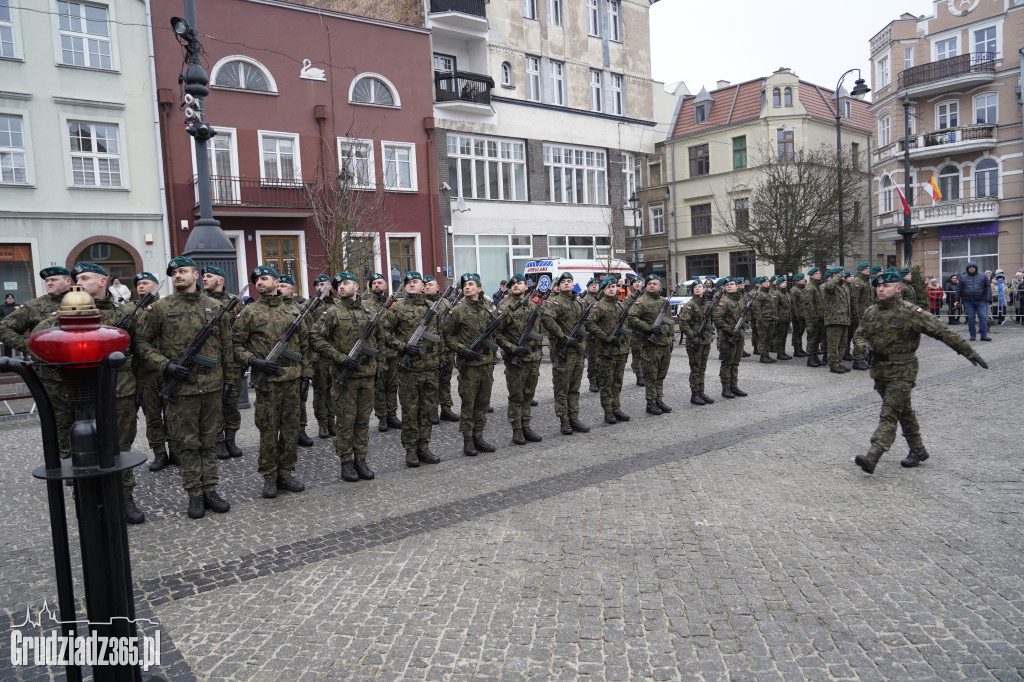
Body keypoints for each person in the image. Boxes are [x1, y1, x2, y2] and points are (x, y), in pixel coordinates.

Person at [852, 271, 987, 474]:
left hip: (903, 371)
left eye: (886, 286)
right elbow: (859, 336)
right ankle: (918, 450)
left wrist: (968, 352)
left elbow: (941, 330)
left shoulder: (911, 312)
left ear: (898, 289)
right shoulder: (871, 311)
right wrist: (864, 347)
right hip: (879, 371)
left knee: (889, 414)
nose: (880, 289)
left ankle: (873, 455)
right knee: (903, 410)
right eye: (878, 286)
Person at [135, 257, 234, 520]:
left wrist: (230, 383)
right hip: (181, 389)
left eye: (182, 271)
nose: (177, 275)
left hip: (212, 387)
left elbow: (227, 349)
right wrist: (165, 366)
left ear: (196, 275)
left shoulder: (215, 307)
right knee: (188, 445)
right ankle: (195, 494)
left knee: (210, 442)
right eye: (174, 273)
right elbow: (142, 344)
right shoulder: (161, 308)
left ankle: (211, 490)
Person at [62, 263, 145, 524]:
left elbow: (141, 348)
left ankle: (124, 497)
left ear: (102, 281)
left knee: (120, 448)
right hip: (84, 395)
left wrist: (140, 386)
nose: (78, 282)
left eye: (85, 278)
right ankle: (94, 500)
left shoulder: (127, 311)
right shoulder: (69, 312)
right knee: (87, 449)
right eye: (76, 278)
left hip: (120, 391)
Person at [233, 266, 311, 499]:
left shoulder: (294, 310)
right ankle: (269, 476)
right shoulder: (250, 312)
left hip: (292, 381)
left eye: (264, 278)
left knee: (290, 431)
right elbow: (235, 345)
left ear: (277, 283)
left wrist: (306, 374)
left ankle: (285, 473)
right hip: (267, 383)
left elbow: (306, 344)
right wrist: (255, 361)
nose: (259, 282)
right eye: (256, 279)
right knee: (268, 431)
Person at [311, 271, 381, 482]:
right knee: (345, 422)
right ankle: (346, 462)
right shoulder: (332, 312)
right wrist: (339, 357)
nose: (341, 286)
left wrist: (378, 366)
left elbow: (380, 340)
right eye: (338, 284)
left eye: (346, 283)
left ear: (356, 287)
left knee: (363, 421)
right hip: (345, 378)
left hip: (367, 376)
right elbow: (315, 337)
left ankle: (361, 459)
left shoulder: (370, 311)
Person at [0, 266, 75, 456]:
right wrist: (31, 347)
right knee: (61, 421)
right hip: (53, 375)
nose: (49, 283)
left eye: (54, 280)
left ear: (68, 281)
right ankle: (67, 462)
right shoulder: (34, 306)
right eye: (47, 281)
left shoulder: (82, 301)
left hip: (85, 372)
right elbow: (4, 329)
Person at [385, 271, 443, 467]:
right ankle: (410, 450)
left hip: (431, 368)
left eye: (415, 281)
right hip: (410, 370)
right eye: (408, 282)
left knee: (427, 411)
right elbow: (384, 333)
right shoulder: (398, 308)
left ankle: (424, 447)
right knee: (410, 412)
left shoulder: (431, 308)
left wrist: (440, 359)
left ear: (423, 286)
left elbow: (439, 336)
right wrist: (402, 347)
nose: (411, 284)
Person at [446, 273, 499, 456]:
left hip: (487, 363)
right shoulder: (458, 311)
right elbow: (448, 336)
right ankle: (468, 441)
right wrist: (462, 350)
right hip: (469, 366)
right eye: (464, 285)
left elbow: (496, 332)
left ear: (479, 287)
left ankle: (479, 437)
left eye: (470, 284)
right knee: (468, 404)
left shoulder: (487, 308)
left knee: (483, 404)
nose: (467, 287)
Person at [131, 272, 178, 471]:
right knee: (152, 416)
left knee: (173, 413)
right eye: (139, 284)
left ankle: (175, 450)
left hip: (168, 369)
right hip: (145, 373)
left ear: (155, 285)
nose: (141, 286)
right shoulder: (130, 310)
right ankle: (159, 453)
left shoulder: (168, 306)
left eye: (146, 283)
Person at [495, 274, 543, 445]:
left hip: (533, 358)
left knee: (529, 395)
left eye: (519, 283)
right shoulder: (504, 306)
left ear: (526, 286)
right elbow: (497, 334)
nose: (516, 286)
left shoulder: (532, 306)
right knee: (516, 395)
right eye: (513, 284)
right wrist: (514, 348)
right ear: (508, 288)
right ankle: (517, 430)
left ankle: (526, 426)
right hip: (515, 359)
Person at [202, 266, 244, 460]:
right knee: (214, 403)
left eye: (209, 276)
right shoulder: (201, 302)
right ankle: (218, 441)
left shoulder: (235, 303)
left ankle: (231, 439)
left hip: (232, 360)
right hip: (211, 360)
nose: (204, 279)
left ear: (220, 280)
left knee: (231, 402)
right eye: (203, 276)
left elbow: (243, 332)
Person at [542, 272, 589, 435]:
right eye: (564, 282)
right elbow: (547, 320)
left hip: (577, 350)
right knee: (562, 388)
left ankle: (574, 417)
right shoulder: (555, 302)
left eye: (570, 281)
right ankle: (564, 420)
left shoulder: (578, 302)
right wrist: (563, 337)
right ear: (559, 285)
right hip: (564, 352)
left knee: (574, 388)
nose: (567, 284)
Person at [585, 276, 632, 424]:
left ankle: (616, 408)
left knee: (617, 381)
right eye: (608, 287)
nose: (611, 289)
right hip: (606, 350)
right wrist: (605, 337)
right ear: (603, 290)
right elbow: (589, 323)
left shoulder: (619, 305)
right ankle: (608, 411)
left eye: (613, 287)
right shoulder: (599, 306)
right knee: (606, 382)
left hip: (621, 349)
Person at [629, 274, 675, 414]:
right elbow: (631, 318)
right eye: (649, 284)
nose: (652, 286)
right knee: (651, 376)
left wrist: (671, 338)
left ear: (659, 286)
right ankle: (650, 402)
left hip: (664, 344)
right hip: (651, 345)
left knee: (661, 375)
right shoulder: (641, 302)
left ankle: (659, 399)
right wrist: (648, 328)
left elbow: (669, 321)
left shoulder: (663, 301)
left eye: (655, 284)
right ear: (646, 286)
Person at [277, 274, 315, 446]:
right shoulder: (272, 308)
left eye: (284, 286)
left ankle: (301, 430)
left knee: (300, 399)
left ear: (292, 289)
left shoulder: (301, 310)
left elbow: (308, 342)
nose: (280, 288)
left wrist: (307, 371)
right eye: (279, 285)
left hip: (296, 364)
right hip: (276, 365)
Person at [364, 273, 403, 431]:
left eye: (380, 282)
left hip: (393, 352)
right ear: (371, 287)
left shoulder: (395, 304)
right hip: (377, 353)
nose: (377, 285)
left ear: (386, 286)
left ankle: (392, 415)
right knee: (379, 387)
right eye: (374, 283)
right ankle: (382, 418)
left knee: (392, 386)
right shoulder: (365, 306)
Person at [677, 279, 715, 406]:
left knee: (702, 368)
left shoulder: (707, 304)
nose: (698, 288)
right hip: (695, 342)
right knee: (695, 369)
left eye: (700, 286)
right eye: (695, 287)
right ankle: (695, 394)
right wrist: (693, 337)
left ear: (704, 289)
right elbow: (683, 323)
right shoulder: (690, 305)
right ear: (692, 290)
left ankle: (701, 392)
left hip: (705, 341)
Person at [711, 277, 748, 399]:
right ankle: (726, 388)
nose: (730, 286)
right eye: (727, 285)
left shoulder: (740, 301)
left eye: (732, 284)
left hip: (739, 336)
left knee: (735, 363)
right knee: (727, 363)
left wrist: (743, 326)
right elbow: (717, 319)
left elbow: (742, 317)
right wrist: (731, 331)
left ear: (737, 286)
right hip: (727, 337)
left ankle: (734, 386)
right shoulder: (724, 302)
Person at [310, 274, 337, 439]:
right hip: (318, 357)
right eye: (318, 284)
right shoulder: (309, 306)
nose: (321, 287)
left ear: (331, 287)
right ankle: (322, 424)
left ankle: (332, 422)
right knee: (320, 391)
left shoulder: (338, 305)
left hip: (335, 356)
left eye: (324, 284)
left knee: (334, 391)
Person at [822, 267, 851, 373]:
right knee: (833, 344)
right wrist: (837, 276)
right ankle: (833, 364)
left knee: (843, 343)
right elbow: (829, 285)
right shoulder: (830, 286)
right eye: (841, 274)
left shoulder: (843, 287)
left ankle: (839, 362)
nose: (843, 276)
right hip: (833, 320)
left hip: (843, 319)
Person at [956, 261, 991, 341]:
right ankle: (973, 335)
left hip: (981, 300)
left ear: (976, 268)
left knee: (982, 317)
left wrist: (988, 298)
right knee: (971, 318)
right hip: (968, 301)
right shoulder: (963, 277)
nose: (971, 268)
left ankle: (984, 335)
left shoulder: (983, 276)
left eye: (973, 267)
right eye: (970, 267)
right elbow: (958, 290)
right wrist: (956, 300)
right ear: (968, 268)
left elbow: (988, 287)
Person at [583, 278, 602, 393]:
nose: (594, 286)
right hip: (591, 334)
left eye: (596, 285)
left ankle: (600, 378)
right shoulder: (586, 300)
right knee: (593, 358)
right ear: (588, 287)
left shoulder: (601, 298)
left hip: (602, 333)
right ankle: (593, 381)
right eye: (592, 285)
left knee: (601, 358)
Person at [752, 277, 777, 363]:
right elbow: (756, 308)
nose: (768, 283)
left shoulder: (769, 292)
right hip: (764, 320)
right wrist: (760, 320)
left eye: (768, 282)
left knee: (769, 338)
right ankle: (763, 356)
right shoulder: (759, 294)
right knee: (763, 338)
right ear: (761, 283)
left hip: (771, 319)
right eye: (765, 282)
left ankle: (767, 354)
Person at [805, 268, 825, 367]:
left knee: (817, 339)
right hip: (813, 319)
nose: (819, 275)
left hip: (819, 317)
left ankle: (816, 357)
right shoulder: (810, 287)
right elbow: (809, 304)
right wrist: (813, 318)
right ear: (811, 276)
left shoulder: (817, 286)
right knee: (812, 339)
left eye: (819, 273)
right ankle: (810, 358)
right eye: (816, 273)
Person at [773, 276, 793, 361]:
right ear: (778, 284)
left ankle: (783, 352)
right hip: (780, 319)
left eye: (785, 283)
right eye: (782, 283)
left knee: (784, 337)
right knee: (780, 337)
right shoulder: (776, 293)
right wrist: (776, 318)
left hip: (786, 318)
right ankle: (779, 353)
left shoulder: (786, 293)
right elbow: (774, 307)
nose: (784, 284)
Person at [789, 274, 807, 357]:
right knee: (797, 333)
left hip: (803, 315)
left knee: (800, 333)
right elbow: (793, 304)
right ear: (797, 281)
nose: (804, 280)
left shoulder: (802, 289)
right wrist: (795, 316)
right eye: (802, 279)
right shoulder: (794, 290)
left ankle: (800, 348)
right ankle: (796, 350)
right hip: (798, 316)